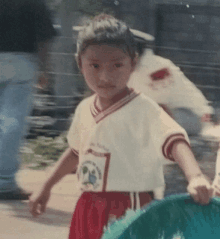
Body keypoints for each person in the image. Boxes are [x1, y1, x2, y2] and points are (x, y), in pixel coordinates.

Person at [29, 14, 213, 239]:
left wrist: (195, 176)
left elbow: (175, 140)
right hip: (87, 207)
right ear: (80, 63)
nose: (105, 76)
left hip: (130, 207)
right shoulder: (84, 108)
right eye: (95, 66)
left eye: (117, 65)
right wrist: (46, 186)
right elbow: (76, 151)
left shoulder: (144, 108)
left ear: (133, 64)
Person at [0, 0, 56, 200]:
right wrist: (44, 69)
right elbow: (44, 38)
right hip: (21, 62)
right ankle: (4, 181)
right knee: (12, 120)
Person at [128, 29, 214, 137]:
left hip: (192, 117)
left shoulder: (157, 67)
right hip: (171, 115)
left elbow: (158, 104)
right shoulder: (134, 67)